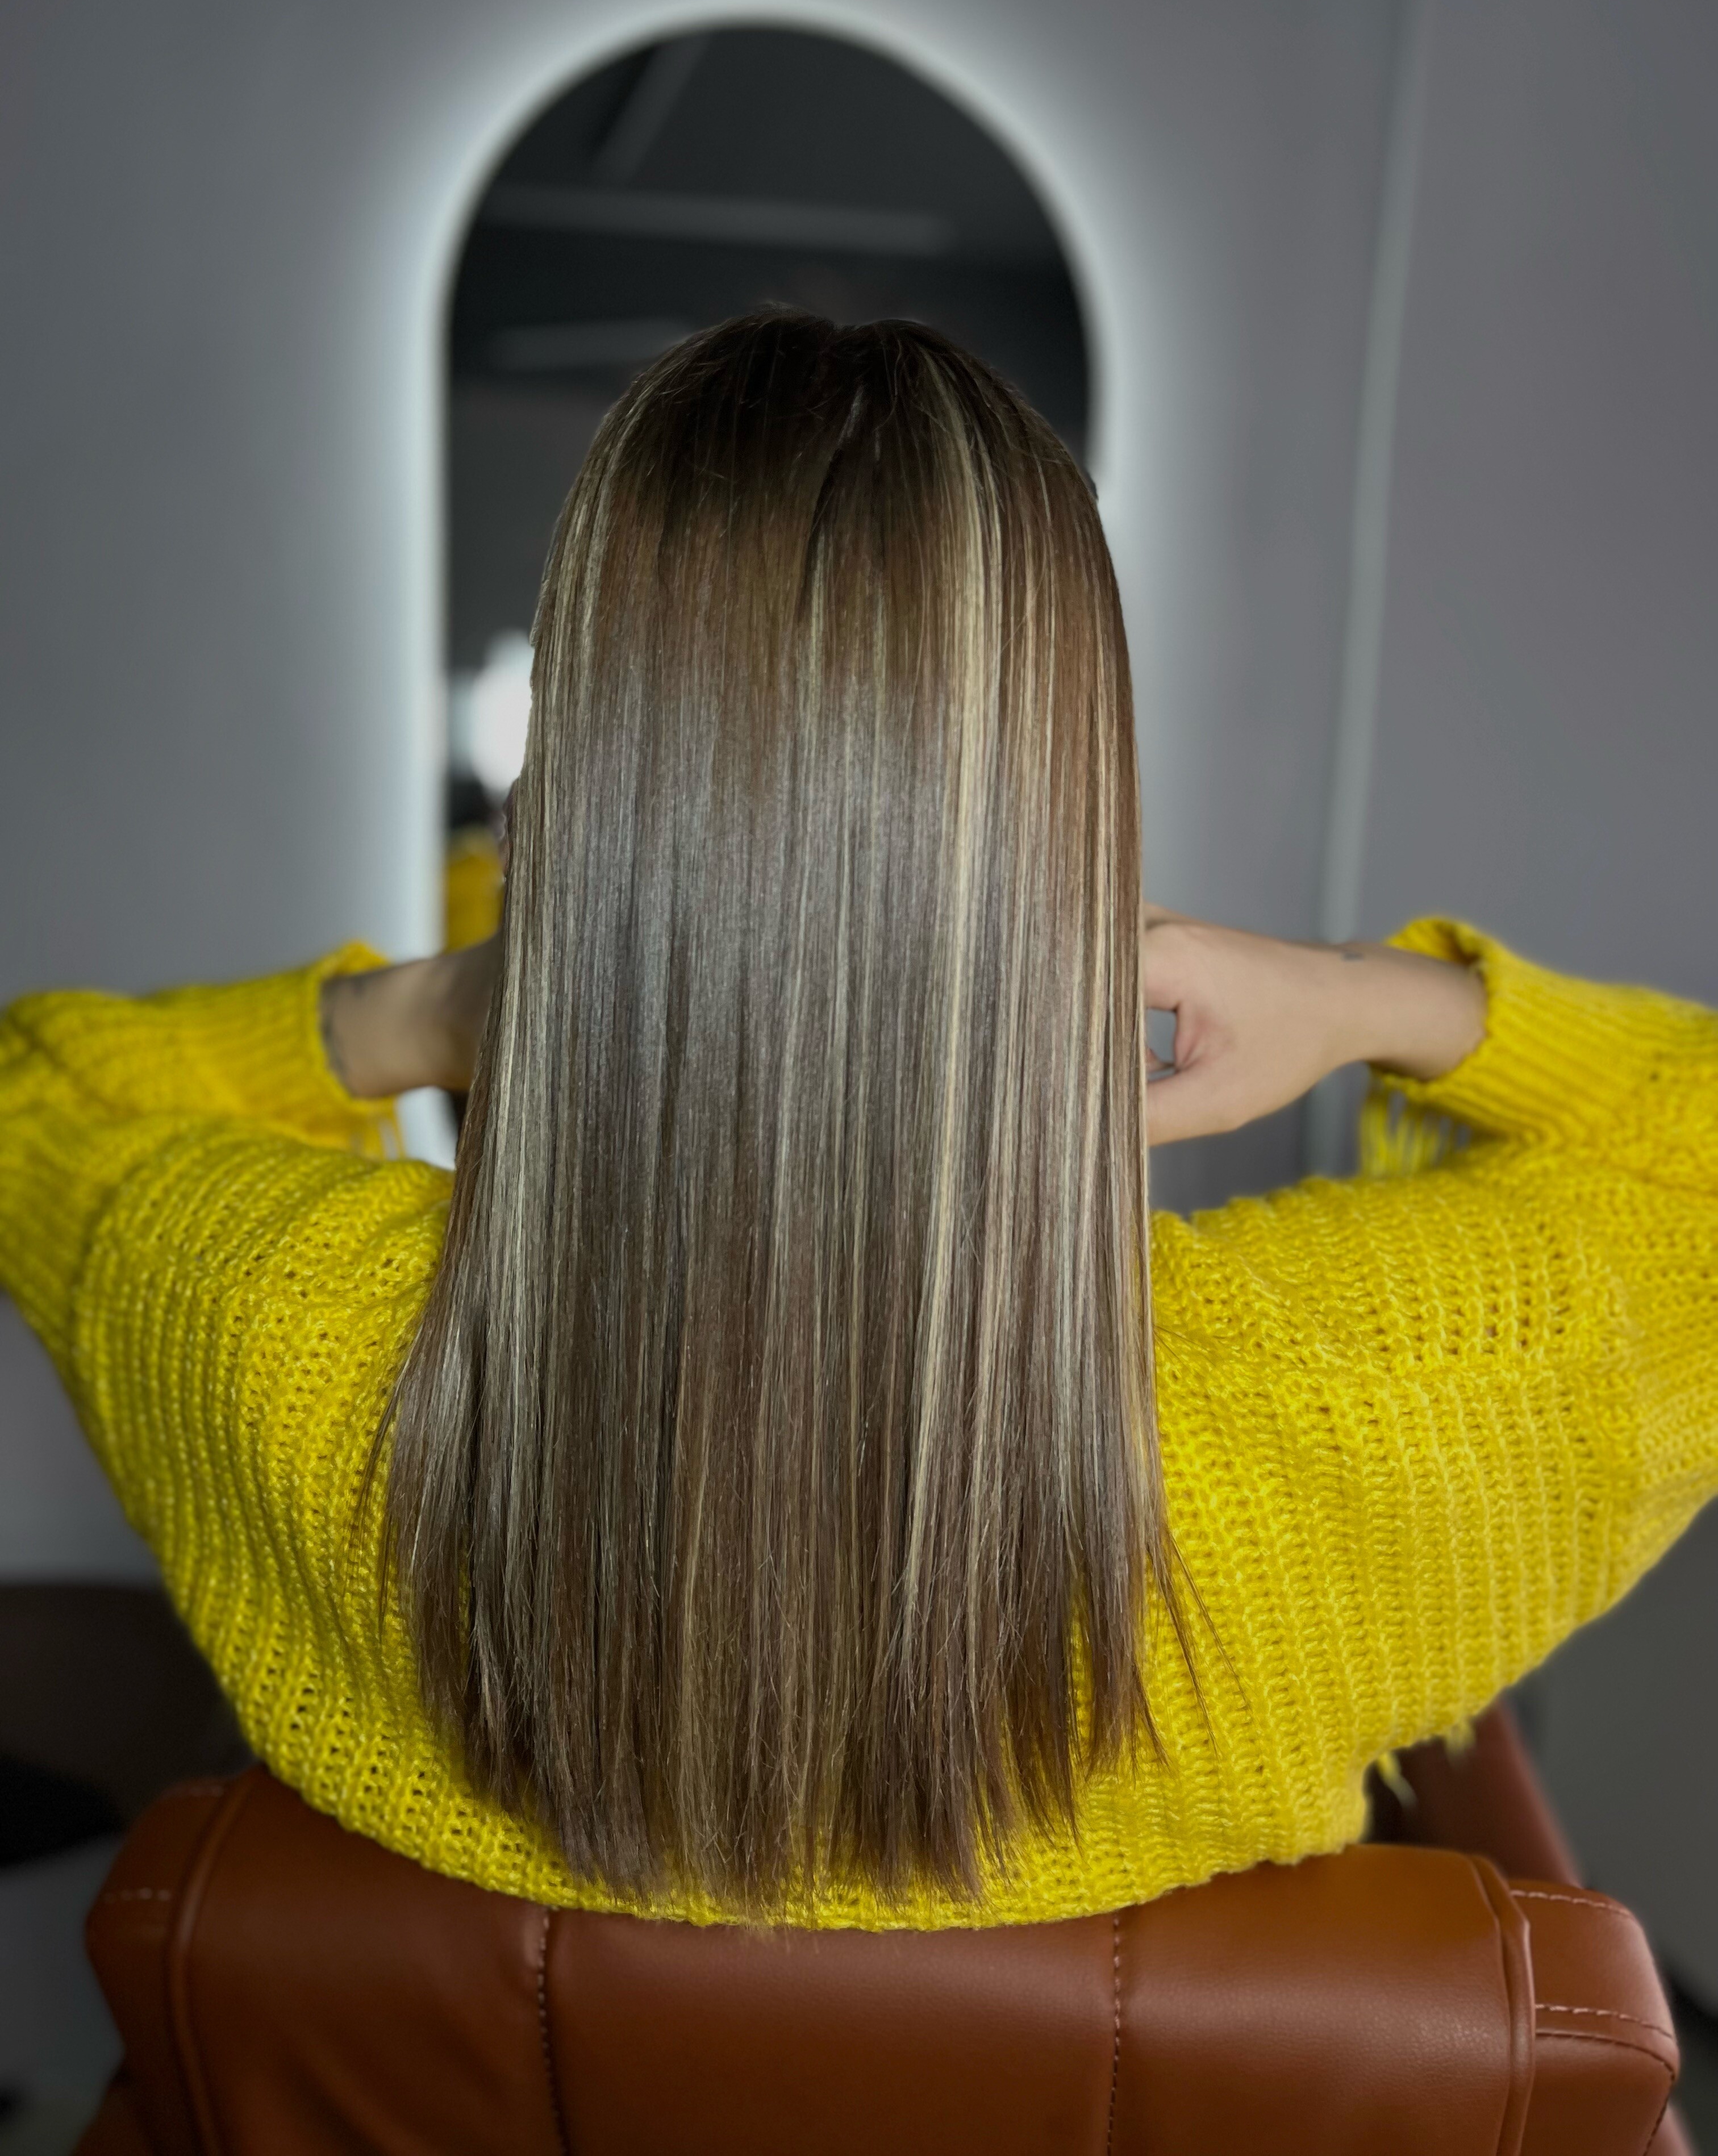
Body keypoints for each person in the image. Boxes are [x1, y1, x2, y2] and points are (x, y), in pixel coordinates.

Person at [1, 311, 1713, 1931]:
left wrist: (452, 1004)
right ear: (1070, 810)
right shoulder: (1346, 1411)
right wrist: (1363, 998)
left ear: (574, 786)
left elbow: (45, 1091)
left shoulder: (287, 1341)